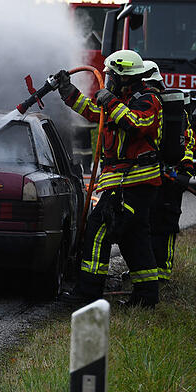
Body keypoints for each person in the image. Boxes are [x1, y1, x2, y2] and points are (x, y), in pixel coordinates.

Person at [54, 50, 163, 308]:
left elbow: (136, 124)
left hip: (135, 183)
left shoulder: (149, 100)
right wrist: (68, 92)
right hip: (125, 183)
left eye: (111, 75)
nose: (107, 79)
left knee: (99, 229)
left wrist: (111, 102)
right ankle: (146, 298)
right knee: (134, 239)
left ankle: (87, 293)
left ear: (124, 77)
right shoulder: (122, 99)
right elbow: (94, 112)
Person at [141, 62, 194, 282]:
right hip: (159, 176)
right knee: (154, 224)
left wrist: (184, 170)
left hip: (168, 176)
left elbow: (187, 138)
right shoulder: (154, 104)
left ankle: (161, 273)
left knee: (163, 225)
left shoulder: (168, 107)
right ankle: (152, 273)